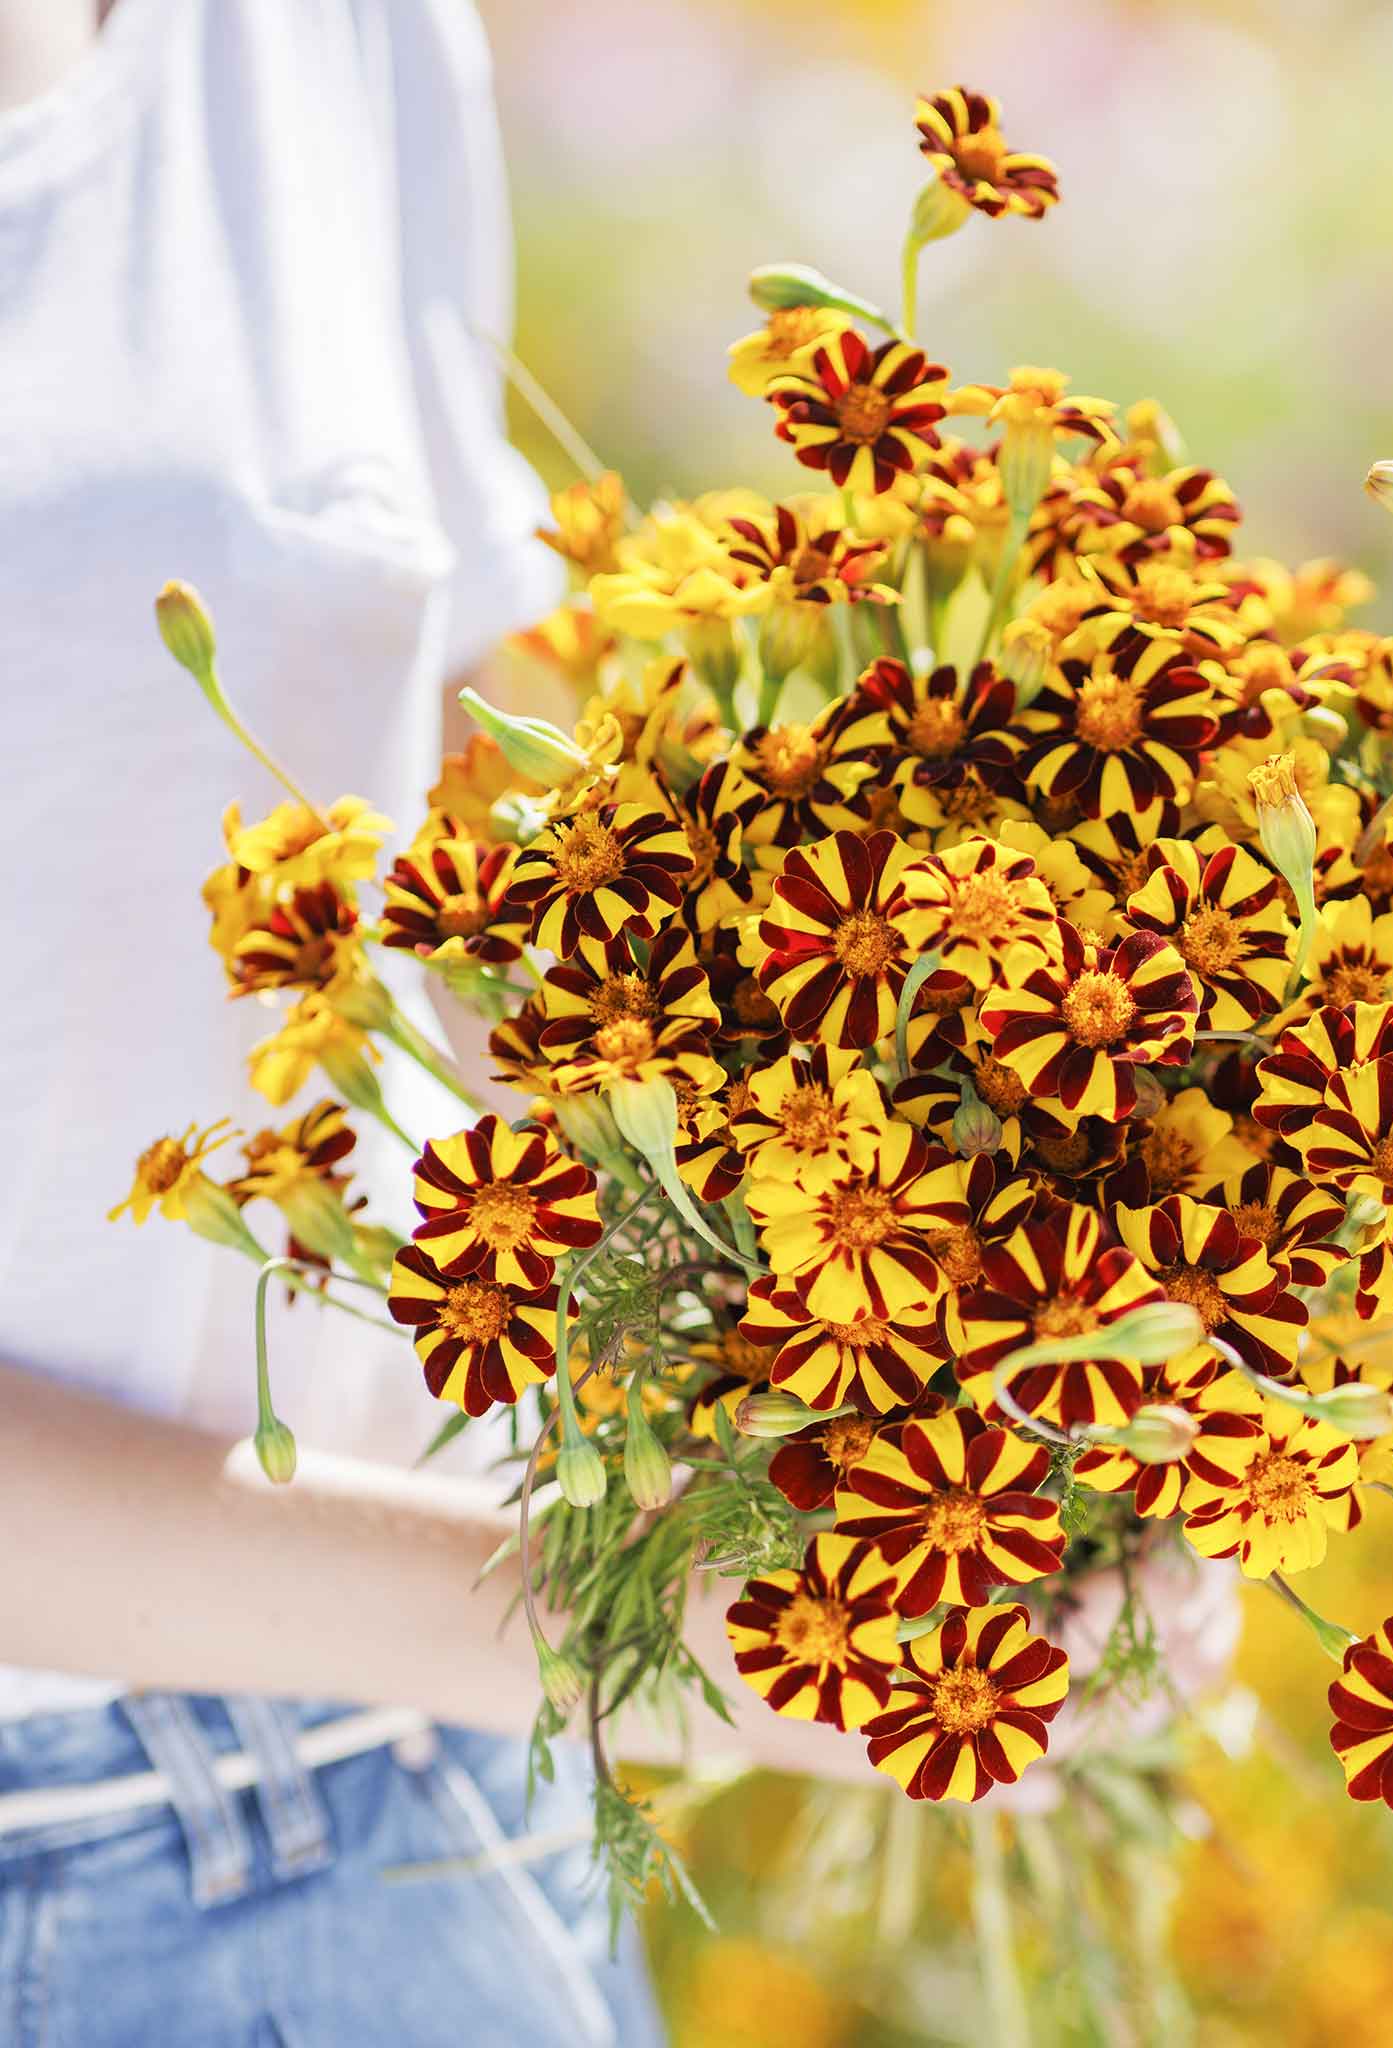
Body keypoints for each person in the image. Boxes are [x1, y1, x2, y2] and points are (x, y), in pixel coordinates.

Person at [0, 3, 676, 2040]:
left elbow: (471, 863)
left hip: (443, 1814)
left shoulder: (323, 33)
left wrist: (922, 1365)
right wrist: (662, 1624)